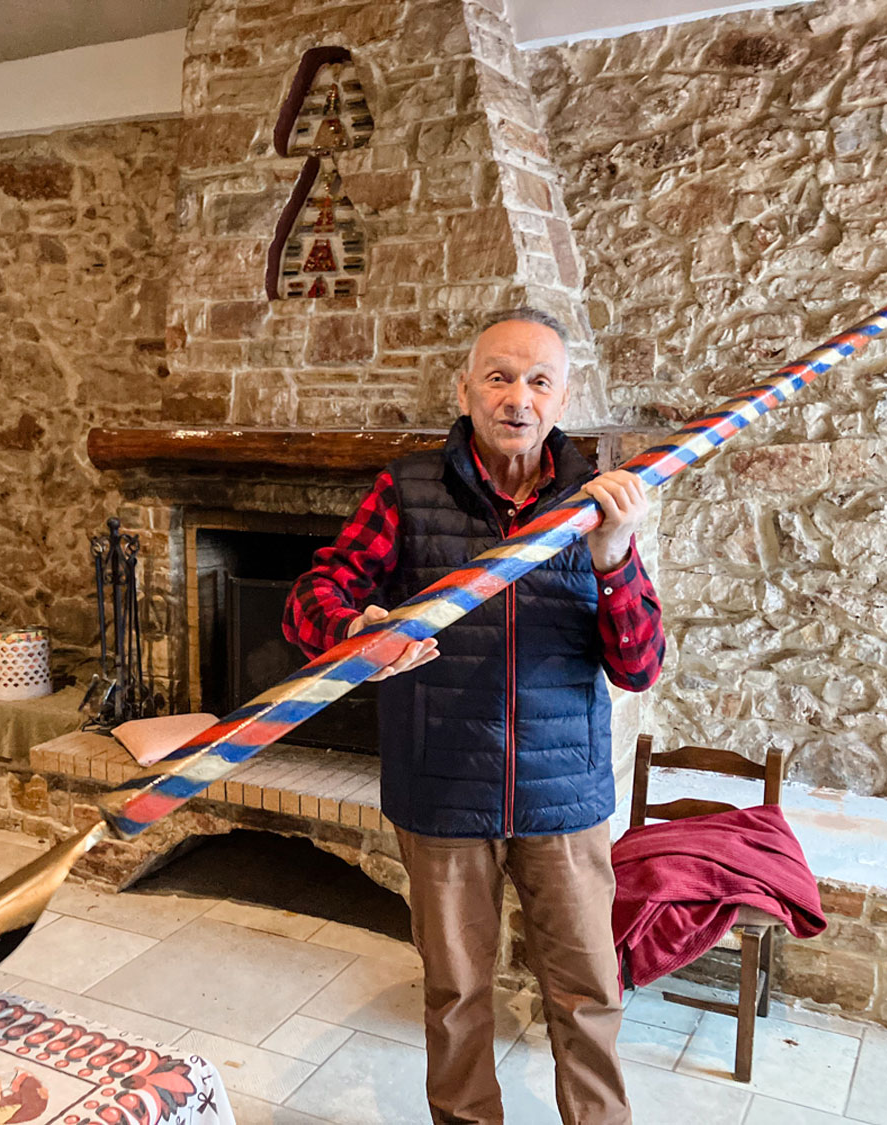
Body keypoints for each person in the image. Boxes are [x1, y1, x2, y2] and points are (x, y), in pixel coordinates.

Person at [283, 308, 665, 1124]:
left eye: (538, 380)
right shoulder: (408, 490)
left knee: (589, 992)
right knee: (455, 996)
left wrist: (614, 556)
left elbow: (639, 666)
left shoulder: (596, 504)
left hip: (563, 797)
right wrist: (357, 631)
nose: (517, 397)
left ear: (563, 399)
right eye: (498, 376)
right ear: (464, 389)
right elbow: (311, 599)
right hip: (443, 791)